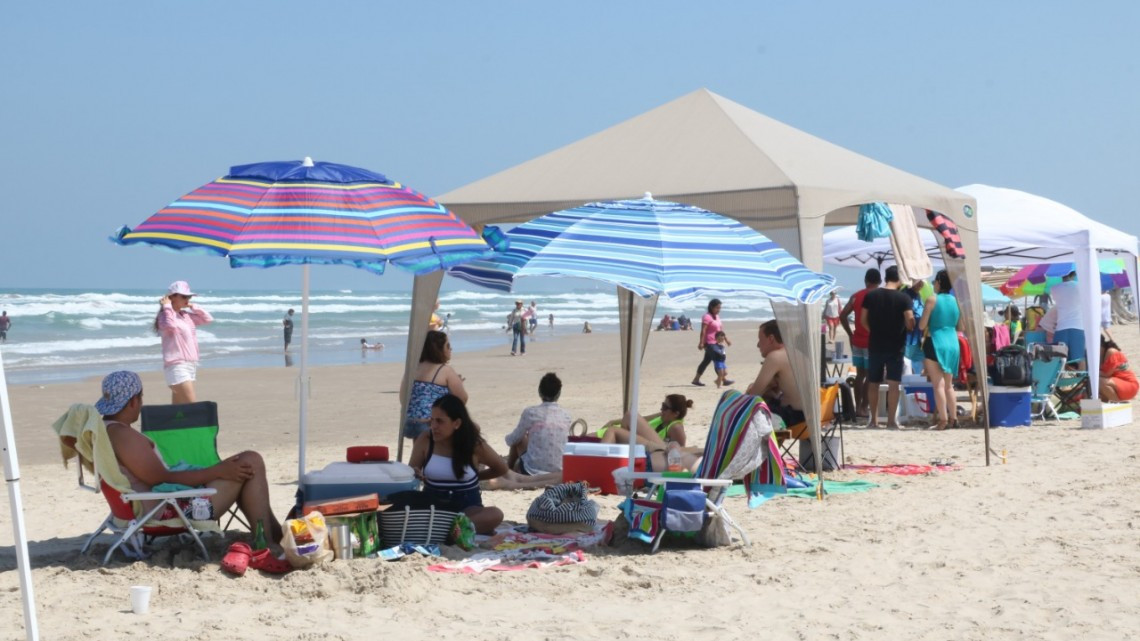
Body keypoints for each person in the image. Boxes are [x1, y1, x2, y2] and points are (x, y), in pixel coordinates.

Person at [97, 371, 283, 548]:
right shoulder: (122, 435)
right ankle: (268, 541)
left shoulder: (108, 430)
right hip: (169, 511)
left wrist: (216, 471)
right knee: (251, 461)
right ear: (133, 401)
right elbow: (160, 478)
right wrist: (217, 471)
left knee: (246, 464)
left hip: (156, 505)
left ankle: (274, 536)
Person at [406, 394, 507, 534]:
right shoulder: (426, 439)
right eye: (432, 420)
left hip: (467, 507)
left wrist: (476, 477)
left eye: (440, 421)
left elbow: (501, 468)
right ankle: (455, 531)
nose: (434, 426)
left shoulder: (474, 445)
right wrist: (415, 473)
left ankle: (446, 530)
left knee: (496, 514)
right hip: (433, 505)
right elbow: (411, 471)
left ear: (457, 423)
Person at [484, 373, 572, 491]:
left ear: (540, 392)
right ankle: (510, 470)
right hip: (558, 469)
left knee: (520, 439)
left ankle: (509, 469)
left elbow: (513, 439)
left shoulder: (530, 412)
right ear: (559, 393)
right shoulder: (566, 415)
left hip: (532, 471)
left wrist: (507, 438)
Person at [860, 266, 915, 429]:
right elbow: (910, 321)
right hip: (896, 345)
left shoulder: (871, 295)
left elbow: (863, 319)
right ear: (899, 279)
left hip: (876, 343)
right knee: (893, 383)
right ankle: (891, 421)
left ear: (886, 277)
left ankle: (873, 420)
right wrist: (909, 326)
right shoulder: (904, 298)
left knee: (873, 382)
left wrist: (873, 330)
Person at [153, 281, 213, 404]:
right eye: (184, 296)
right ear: (172, 297)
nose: (187, 299)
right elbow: (171, 325)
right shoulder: (164, 316)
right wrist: (167, 306)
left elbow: (207, 319)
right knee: (192, 406)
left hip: (190, 365)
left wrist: (192, 306)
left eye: (189, 296)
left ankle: (170, 423)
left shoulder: (185, 315)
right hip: (177, 366)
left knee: (178, 411)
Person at [918, 270, 963, 430]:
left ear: (938, 282)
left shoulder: (932, 299)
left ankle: (943, 420)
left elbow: (922, 325)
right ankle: (954, 418)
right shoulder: (957, 301)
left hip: (935, 341)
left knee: (938, 384)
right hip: (952, 342)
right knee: (949, 385)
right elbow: (961, 326)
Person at [401, 330, 467, 440]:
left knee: (420, 447)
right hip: (430, 423)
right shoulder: (445, 370)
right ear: (439, 349)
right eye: (448, 346)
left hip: (409, 423)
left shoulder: (413, 368)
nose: (451, 349)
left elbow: (403, 398)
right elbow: (462, 399)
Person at [746, 320, 805, 428]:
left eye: (760, 340)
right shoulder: (798, 353)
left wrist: (751, 388)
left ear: (771, 339)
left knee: (744, 414)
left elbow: (753, 394)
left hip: (794, 416)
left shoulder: (775, 357)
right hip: (811, 415)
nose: (758, 345)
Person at [840, 268, 881, 417]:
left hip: (857, 339)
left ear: (866, 280)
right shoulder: (879, 296)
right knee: (871, 375)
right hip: (873, 341)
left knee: (860, 375)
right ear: (880, 281)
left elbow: (843, 315)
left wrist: (850, 334)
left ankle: (858, 407)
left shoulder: (856, 296)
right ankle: (864, 407)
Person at [592, 393, 693, 448]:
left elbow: (680, 450)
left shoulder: (676, 427)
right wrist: (614, 421)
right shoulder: (663, 417)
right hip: (626, 434)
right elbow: (643, 419)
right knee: (582, 438)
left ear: (676, 413)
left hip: (651, 447)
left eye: (665, 407)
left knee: (627, 418)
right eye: (662, 405)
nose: (661, 410)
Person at [1046, 271, 1085, 366]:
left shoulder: (1054, 288)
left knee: (1059, 361)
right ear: (1074, 274)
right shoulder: (1081, 286)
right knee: (1080, 359)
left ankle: (1061, 379)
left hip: (1061, 328)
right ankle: (1083, 379)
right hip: (1077, 327)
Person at [692, 299, 730, 386]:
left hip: (717, 342)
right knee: (718, 358)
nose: (719, 310)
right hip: (709, 342)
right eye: (717, 308)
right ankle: (723, 379)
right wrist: (701, 342)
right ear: (711, 307)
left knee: (706, 361)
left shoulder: (717, 317)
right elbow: (703, 330)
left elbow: (720, 330)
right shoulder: (707, 317)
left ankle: (696, 379)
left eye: (720, 308)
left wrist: (726, 339)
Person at [1099, 336, 1138, 402]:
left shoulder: (1111, 351)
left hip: (1129, 384)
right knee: (1092, 385)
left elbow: (1106, 374)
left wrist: (1089, 372)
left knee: (1098, 381)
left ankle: (1118, 404)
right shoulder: (1101, 355)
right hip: (1117, 385)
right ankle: (1093, 409)